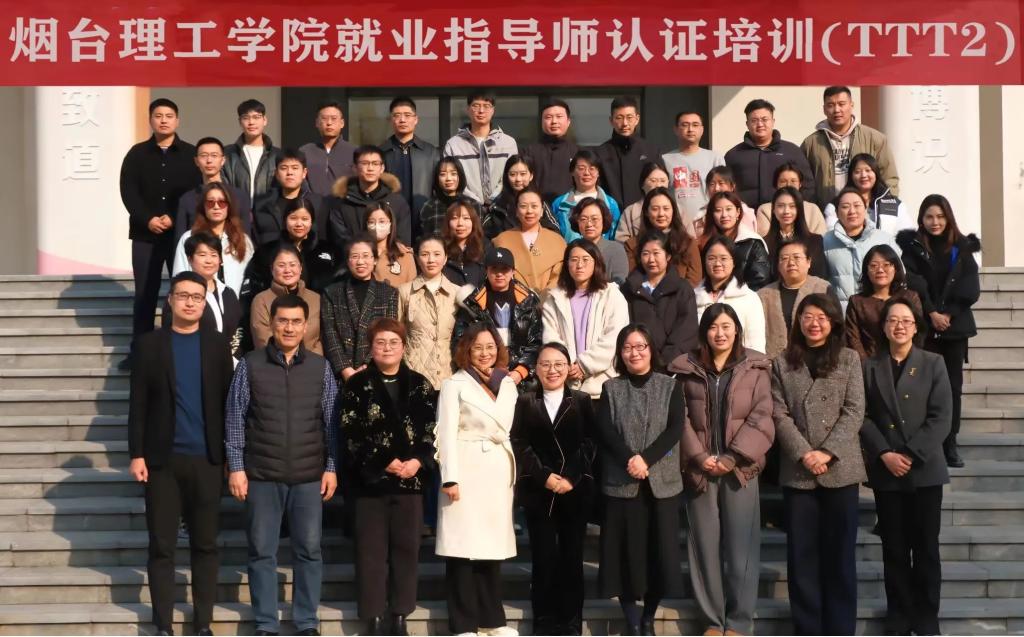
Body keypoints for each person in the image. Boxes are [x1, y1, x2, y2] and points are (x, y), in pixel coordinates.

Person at [225, 293, 339, 637]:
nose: (289, 328)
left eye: (296, 322)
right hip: (262, 474)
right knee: (262, 552)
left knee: (309, 551)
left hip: (308, 476)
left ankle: (306, 621)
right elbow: (235, 418)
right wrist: (236, 467)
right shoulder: (250, 365)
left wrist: (332, 466)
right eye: (283, 321)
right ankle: (265, 623)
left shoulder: (320, 367)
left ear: (306, 326)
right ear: (272, 323)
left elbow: (332, 423)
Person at [128, 271, 234, 637]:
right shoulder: (149, 345)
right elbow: (138, 404)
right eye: (183, 295)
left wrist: (231, 458)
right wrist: (137, 454)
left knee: (206, 545)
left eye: (197, 297)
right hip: (162, 462)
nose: (190, 302)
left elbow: (228, 403)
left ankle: (203, 622)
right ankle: (163, 624)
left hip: (207, 460)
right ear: (171, 300)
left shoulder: (217, 345)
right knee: (162, 546)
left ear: (204, 303)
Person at [667, 303, 774, 637]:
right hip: (700, 470)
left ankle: (739, 622)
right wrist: (699, 457)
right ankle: (712, 621)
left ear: (737, 330)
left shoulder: (755, 367)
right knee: (703, 548)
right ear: (704, 332)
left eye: (726, 326)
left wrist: (732, 457)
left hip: (740, 469)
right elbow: (680, 418)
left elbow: (763, 415)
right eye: (713, 327)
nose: (720, 333)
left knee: (742, 550)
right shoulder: (685, 369)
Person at [770, 293, 866, 636]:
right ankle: (808, 628)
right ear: (798, 321)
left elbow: (854, 410)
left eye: (822, 317)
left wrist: (826, 452)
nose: (814, 323)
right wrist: (804, 453)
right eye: (808, 316)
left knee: (840, 558)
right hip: (799, 472)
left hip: (840, 469)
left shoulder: (849, 359)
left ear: (834, 322)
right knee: (802, 558)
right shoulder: (782, 362)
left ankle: (840, 629)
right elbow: (778, 413)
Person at [861, 297, 952, 637]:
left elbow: (941, 417)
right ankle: (898, 613)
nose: (899, 326)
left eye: (906, 320)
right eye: (892, 320)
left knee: (926, 547)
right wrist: (884, 453)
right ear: (884, 327)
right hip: (887, 470)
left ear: (916, 326)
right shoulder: (870, 366)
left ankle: (927, 615)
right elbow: (863, 416)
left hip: (924, 469)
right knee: (894, 549)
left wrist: (911, 454)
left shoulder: (933, 363)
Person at [340, 318, 437, 637]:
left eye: (394, 342)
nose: (387, 348)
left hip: (410, 482)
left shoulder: (421, 385)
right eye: (380, 342)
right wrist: (384, 462)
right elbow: (350, 431)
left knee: (406, 551)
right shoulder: (357, 385)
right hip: (370, 483)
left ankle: (399, 614)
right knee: (370, 553)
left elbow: (430, 430)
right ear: (371, 348)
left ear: (404, 347)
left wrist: (417, 461)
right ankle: (373, 616)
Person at [596, 324, 684, 636]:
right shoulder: (611, 388)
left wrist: (645, 459)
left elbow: (675, 429)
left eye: (640, 346)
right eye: (628, 347)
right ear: (620, 353)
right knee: (624, 556)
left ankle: (648, 617)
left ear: (650, 350)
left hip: (660, 484)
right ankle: (632, 620)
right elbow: (605, 430)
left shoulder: (670, 386)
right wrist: (629, 460)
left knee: (659, 555)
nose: (634, 353)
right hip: (622, 483)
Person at [435, 324, 520, 637]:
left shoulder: (507, 384)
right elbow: (445, 433)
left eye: (490, 347)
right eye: (478, 347)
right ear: (466, 350)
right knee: (462, 549)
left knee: (491, 549)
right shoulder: (453, 384)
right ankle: (463, 623)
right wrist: (450, 478)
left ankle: (492, 620)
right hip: (466, 467)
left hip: (497, 469)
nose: (485, 353)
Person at [510, 342, 597, 636]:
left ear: (568, 367)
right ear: (536, 368)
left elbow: (590, 442)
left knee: (572, 557)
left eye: (559, 364)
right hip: (539, 490)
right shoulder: (525, 401)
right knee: (543, 557)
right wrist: (544, 476)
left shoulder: (582, 401)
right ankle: (544, 620)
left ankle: (570, 621)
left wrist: (571, 477)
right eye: (545, 364)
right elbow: (519, 442)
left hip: (574, 489)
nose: (552, 370)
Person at [897, 194, 981, 468]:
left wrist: (948, 314)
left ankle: (950, 444)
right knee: (924, 388)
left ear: (949, 218)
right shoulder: (913, 248)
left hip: (954, 330)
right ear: (921, 219)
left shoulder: (961, 247)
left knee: (953, 389)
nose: (935, 222)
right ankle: (926, 444)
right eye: (929, 216)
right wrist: (932, 312)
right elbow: (913, 282)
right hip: (924, 328)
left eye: (941, 216)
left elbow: (970, 287)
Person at [119, 98, 201, 367]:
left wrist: (175, 217)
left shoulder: (191, 154)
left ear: (177, 120)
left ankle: (178, 348)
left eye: (169, 116)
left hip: (180, 235)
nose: (163, 120)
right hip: (145, 235)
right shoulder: (136, 154)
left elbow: (196, 192)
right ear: (150, 120)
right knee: (145, 293)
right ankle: (139, 352)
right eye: (158, 115)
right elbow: (128, 191)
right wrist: (148, 219)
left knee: (184, 290)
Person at [541, 239, 631, 400]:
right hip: (566, 384)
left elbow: (614, 337)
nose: (579, 265)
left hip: (603, 385)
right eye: (574, 260)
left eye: (585, 259)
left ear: (596, 262)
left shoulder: (612, 295)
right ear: (566, 264)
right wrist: (566, 366)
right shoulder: (554, 299)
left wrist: (584, 365)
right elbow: (551, 337)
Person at [453, 246, 543, 391]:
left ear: (513, 271)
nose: (499, 274)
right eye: (494, 269)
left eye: (505, 269)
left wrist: (520, 372)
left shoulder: (529, 302)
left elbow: (537, 342)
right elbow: (460, 342)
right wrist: (481, 371)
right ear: (486, 270)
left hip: (522, 381)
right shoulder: (472, 303)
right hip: (481, 378)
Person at [802, 86, 899, 208]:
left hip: (866, 211)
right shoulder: (811, 143)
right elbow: (804, 183)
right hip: (825, 212)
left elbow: (889, 178)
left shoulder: (875, 139)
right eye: (831, 105)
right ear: (824, 109)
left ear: (851, 105)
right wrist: (813, 211)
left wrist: (887, 209)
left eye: (841, 104)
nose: (837, 110)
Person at [321, 235, 399, 381]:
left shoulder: (389, 293)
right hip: (341, 374)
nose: (360, 261)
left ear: (375, 260)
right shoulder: (331, 293)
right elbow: (330, 333)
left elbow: (388, 333)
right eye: (355, 256)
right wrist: (345, 369)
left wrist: (367, 365)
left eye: (366, 256)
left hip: (376, 370)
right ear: (348, 261)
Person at [241, 197, 342, 305]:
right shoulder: (267, 251)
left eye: (304, 219)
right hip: (274, 310)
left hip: (318, 310)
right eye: (293, 218)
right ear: (285, 220)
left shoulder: (328, 249)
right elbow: (251, 288)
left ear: (311, 221)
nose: (299, 224)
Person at [620, 232, 699, 365]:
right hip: (637, 363)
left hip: (673, 366)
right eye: (645, 254)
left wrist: (664, 362)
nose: (651, 259)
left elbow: (686, 331)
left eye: (656, 253)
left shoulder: (682, 289)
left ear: (668, 256)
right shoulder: (629, 289)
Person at [724, 99, 816, 208]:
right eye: (754, 120)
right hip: (746, 215)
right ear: (747, 124)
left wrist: (795, 209)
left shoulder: (792, 151)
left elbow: (808, 186)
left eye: (764, 119)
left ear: (773, 121)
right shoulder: (734, 155)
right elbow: (725, 189)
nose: (760, 124)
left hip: (784, 214)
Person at [398, 235, 461, 390]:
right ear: (417, 259)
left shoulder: (457, 293)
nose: (431, 260)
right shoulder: (404, 291)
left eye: (437, 254)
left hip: (449, 374)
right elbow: (396, 333)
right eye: (425, 254)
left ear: (445, 258)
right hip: (413, 374)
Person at [823, 187, 902, 309]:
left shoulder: (884, 238)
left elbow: (900, 275)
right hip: (841, 313)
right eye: (845, 207)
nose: (852, 211)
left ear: (865, 209)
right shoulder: (826, 241)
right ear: (837, 213)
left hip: (879, 311)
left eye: (857, 205)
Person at [166, 232, 243, 352]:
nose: (209, 260)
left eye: (214, 255)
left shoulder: (228, 293)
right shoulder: (180, 294)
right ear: (190, 259)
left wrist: (232, 357)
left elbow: (238, 330)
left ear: (220, 260)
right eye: (202, 255)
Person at [173, 182, 254, 295]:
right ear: (203, 207)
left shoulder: (243, 239)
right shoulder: (189, 238)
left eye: (222, 202)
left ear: (229, 206)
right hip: (199, 301)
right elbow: (179, 276)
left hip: (235, 302)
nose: (216, 207)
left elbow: (249, 276)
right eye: (210, 202)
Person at [845, 245, 924, 360]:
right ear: (866, 270)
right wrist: (867, 365)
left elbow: (919, 333)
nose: (880, 270)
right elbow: (853, 339)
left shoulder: (910, 297)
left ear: (895, 268)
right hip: (869, 362)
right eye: (874, 266)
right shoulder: (857, 301)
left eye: (886, 265)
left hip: (905, 361)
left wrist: (909, 361)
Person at [757, 240, 833, 359]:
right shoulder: (764, 295)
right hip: (773, 361)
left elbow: (835, 326)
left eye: (797, 257)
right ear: (778, 265)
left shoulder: (823, 288)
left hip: (816, 358)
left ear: (808, 262)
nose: (791, 263)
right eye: (784, 258)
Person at [694, 236, 767, 353]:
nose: (717, 264)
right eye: (711, 258)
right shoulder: (693, 297)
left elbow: (755, 344)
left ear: (734, 262)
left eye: (723, 258)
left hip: (739, 362)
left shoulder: (749, 298)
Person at [444, 90, 519, 204]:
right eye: (476, 105)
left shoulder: (508, 143)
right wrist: (474, 201)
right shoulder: (453, 144)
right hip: (466, 207)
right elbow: (451, 177)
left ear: (493, 110)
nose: (481, 111)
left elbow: (513, 173)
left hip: (502, 206)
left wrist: (494, 198)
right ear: (468, 109)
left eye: (486, 106)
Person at [330, 145, 414, 246]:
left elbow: (402, 240)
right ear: (355, 168)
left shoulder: (397, 202)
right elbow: (340, 239)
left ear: (382, 168)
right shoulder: (342, 202)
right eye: (365, 163)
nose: (370, 168)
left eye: (375, 164)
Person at [175, 136, 252, 242]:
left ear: (223, 160)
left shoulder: (240, 196)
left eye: (214, 155)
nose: (209, 160)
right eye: (204, 156)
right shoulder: (187, 199)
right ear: (196, 161)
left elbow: (246, 237)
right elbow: (180, 239)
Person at [381, 96, 441, 232]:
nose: (402, 120)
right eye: (397, 115)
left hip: (425, 222)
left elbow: (438, 190)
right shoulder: (381, 153)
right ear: (391, 120)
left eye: (407, 115)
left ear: (416, 119)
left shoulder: (431, 152)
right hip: (390, 222)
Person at [250, 243, 322, 355]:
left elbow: (321, 339)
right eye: (281, 265)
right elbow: (263, 341)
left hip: (313, 363)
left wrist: (312, 362)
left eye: (292, 265)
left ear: (301, 268)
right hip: (274, 363)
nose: (287, 270)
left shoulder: (315, 299)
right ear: (272, 269)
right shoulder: (261, 300)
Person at [623, 187, 702, 286]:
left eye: (666, 209)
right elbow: (632, 279)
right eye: (655, 209)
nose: (661, 214)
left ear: (673, 211)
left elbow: (694, 280)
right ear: (646, 212)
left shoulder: (687, 243)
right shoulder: (633, 245)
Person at [493, 188, 567, 292]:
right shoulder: (502, 240)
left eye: (534, 206)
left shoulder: (557, 241)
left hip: (550, 298)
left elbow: (560, 274)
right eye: (523, 206)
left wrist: (546, 296)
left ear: (542, 211)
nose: (529, 211)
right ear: (516, 211)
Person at [823, 153, 915, 235]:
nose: (863, 175)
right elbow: (831, 235)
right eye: (857, 172)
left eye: (868, 170)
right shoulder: (836, 205)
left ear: (876, 174)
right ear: (851, 176)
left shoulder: (894, 204)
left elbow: (908, 235)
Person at [595, 95, 660, 209]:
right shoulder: (601, 153)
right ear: (611, 120)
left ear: (637, 119)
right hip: (611, 215)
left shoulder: (651, 151)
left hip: (644, 214)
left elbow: (660, 186)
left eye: (629, 117)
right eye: (619, 118)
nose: (625, 123)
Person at [662, 111, 726, 226]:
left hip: (708, 223)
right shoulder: (665, 160)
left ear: (702, 129)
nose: (690, 129)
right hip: (676, 225)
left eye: (695, 125)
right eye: (685, 125)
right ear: (676, 130)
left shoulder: (715, 158)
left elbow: (723, 194)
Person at [251, 150, 327, 246]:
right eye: (284, 168)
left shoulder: (317, 203)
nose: (289, 172)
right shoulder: (262, 204)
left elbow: (323, 240)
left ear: (304, 173)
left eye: (295, 168)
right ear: (276, 173)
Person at [700, 192, 771, 291]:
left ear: (738, 212)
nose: (724, 215)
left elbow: (760, 279)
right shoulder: (704, 243)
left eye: (729, 209)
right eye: (718, 210)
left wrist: (736, 294)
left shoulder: (753, 242)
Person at [552, 150, 622, 242]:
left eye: (592, 168)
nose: (587, 173)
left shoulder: (610, 204)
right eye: (581, 168)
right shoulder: (560, 204)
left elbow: (614, 237)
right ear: (572, 171)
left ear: (598, 173)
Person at [761, 186, 828, 282]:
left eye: (792, 206)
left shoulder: (815, 241)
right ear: (773, 210)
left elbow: (820, 276)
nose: (786, 211)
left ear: (799, 209)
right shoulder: (764, 243)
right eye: (780, 206)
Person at [484, 154, 560, 238]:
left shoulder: (540, 202)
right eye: (513, 174)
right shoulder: (498, 206)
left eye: (523, 174)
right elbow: (485, 236)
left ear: (531, 176)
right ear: (506, 176)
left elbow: (554, 230)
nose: (518, 179)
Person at [222, 99, 282, 202]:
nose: (251, 122)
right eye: (246, 118)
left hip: (268, 211)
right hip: (237, 210)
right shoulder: (227, 154)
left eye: (256, 117)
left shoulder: (277, 155)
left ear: (264, 120)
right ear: (240, 122)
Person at [523, 99, 580, 204]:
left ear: (568, 122)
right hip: (536, 209)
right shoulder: (528, 152)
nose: (554, 121)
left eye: (559, 116)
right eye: (548, 117)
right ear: (541, 122)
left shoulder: (578, 153)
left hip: (569, 209)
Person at [299, 100, 356, 198]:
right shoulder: (305, 151)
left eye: (334, 118)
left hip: (344, 205)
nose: (329, 123)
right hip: (312, 204)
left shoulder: (354, 152)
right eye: (324, 118)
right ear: (317, 123)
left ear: (342, 123)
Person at [754, 163, 827, 237]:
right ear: (776, 184)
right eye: (783, 181)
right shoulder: (765, 210)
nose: (788, 185)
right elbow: (765, 240)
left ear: (800, 184)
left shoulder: (813, 209)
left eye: (793, 181)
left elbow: (821, 238)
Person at [570, 198, 629, 284]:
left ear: (603, 220)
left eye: (594, 219)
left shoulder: (616, 249)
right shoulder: (572, 249)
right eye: (583, 219)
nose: (589, 224)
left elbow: (620, 282)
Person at [614, 162, 673, 242]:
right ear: (642, 184)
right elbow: (621, 241)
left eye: (663, 181)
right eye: (653, 181)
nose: (658, 185)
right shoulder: (630, 211)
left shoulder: (679, 209)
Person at [694, 166, 758, 237]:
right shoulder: (701, 215)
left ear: (732, 187)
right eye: (712, 184)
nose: (716, 188)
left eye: (721, 183)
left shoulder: (745, 213)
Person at [442, 197, 489, 288]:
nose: (460, 223)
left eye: (466, 218)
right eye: (454, 218)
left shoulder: (485, 246)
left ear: (473, 222)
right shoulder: (441, 247)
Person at [365, 203, 415, 288]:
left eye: (382, 221)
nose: (377, 226)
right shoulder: (359, 253)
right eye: (371, 222)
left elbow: (412, 287)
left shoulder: (404, 254)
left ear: (390, 224)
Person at [421, 158, 468, 238]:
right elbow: (424, 238)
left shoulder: (472, 205)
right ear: (437, 178)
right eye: (443, 174)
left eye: (453, 174)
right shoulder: (429, 206)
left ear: (460, 176)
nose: (448, 178)